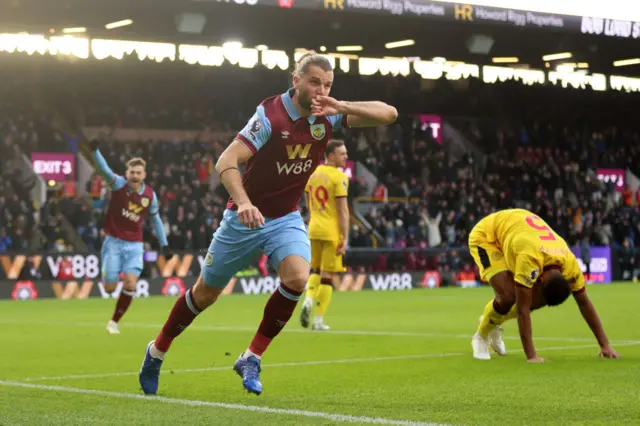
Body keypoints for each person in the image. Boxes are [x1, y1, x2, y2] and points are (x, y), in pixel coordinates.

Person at [138, 51, 397, 396]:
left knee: (297, 278)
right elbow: (226, 160)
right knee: (205, 294)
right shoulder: (270, 116)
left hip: (286, 217)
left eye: (327, 84)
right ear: (296, 80)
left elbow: (389, 114)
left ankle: (251, 357)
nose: (321, 90)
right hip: (243, 218)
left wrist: (341, 105)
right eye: (315, 82)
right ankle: (157, 351)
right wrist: (243, 202)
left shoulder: (329, 115)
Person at [468, 208, 619, 362]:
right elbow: (522, 310)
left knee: (528, 301)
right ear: (539, 281)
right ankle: (481, 336)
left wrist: (605, 344)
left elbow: (584, 303)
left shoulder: (571, 266)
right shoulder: (530, 259)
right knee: (508, 297)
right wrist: (531, 356)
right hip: (488, 235)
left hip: (518, 231)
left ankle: (494, 321)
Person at [91, 143, 172, 334]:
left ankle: (114, 322)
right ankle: (109, 275)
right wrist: (95, 151)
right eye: (132, 172)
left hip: (135, 244)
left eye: (138, 173)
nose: (134, 176)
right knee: (110, 288)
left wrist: (165, 244)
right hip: (113, 242)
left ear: (144, 175)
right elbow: (104, 169)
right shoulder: (118, 184)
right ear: (127, 174)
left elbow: (157, 220)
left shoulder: (150, 196)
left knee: (130, 283)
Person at [300, 139, 350, 331]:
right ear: (331, 155)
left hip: (313, 228)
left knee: (315, 270)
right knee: (327, 276)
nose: (346, 157)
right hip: (331, 232)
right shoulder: (340, 177)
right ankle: (318, 320)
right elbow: (343, 211)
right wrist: (344, 238)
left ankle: (308, 300)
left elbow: (307, 200)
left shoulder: (313, 174)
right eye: (342, 154)